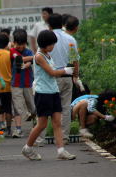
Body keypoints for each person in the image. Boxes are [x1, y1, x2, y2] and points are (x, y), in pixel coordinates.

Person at [22, 30, 76, 161]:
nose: (53, 46)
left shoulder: (47, 55)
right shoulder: (39, 56)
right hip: (43, 93)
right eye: (52, 44)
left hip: (54, 91)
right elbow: (51, 72)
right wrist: (65, 71)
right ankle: (27, 148)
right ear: (45, 44)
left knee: (57, 122)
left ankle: (61, 151)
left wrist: (65, 71)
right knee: (42, 124)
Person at [42, 13, 80, 145]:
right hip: (67, 76)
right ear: (62, 24)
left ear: (49, 25)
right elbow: (75, 60)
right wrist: (75, 76)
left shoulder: (46, 38)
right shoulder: (70, 39)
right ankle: (64, 137)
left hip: (50, 77)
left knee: (46, 107)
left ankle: (42, 136)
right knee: (65, 107)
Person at [10, 29, 35, 138]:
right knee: (17, 105)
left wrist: (28, 64)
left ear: (25, 43)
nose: (20, 46)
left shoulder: (28, 51)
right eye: (17, 44)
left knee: (31, 105)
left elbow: (29, 61)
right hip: (15, 83)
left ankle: (35, 124)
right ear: (14, 42)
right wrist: (33, 58)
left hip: (27, 82)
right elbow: (18, 58)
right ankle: (18, 129)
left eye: (22, 44)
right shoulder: (12, 51)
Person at [0, 33, 13, 136]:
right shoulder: (9, 53)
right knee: (8, 108)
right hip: (8, 84)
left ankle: (1, 126)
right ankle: (9, 129)